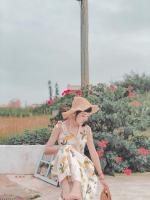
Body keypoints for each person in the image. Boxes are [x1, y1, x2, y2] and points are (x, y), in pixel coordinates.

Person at [44, 96, 109, 200]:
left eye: (87, 116)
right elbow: (46, 150)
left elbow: (93, 152)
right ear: (74, 113)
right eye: (83, 116)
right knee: (66, 149)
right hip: (65, 167)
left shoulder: (86, 130)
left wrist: (101, 175)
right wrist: (64, 148)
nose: (85, 119)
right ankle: (69, 190)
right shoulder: (60, 127)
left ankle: (74, 188)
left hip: (82, 166)